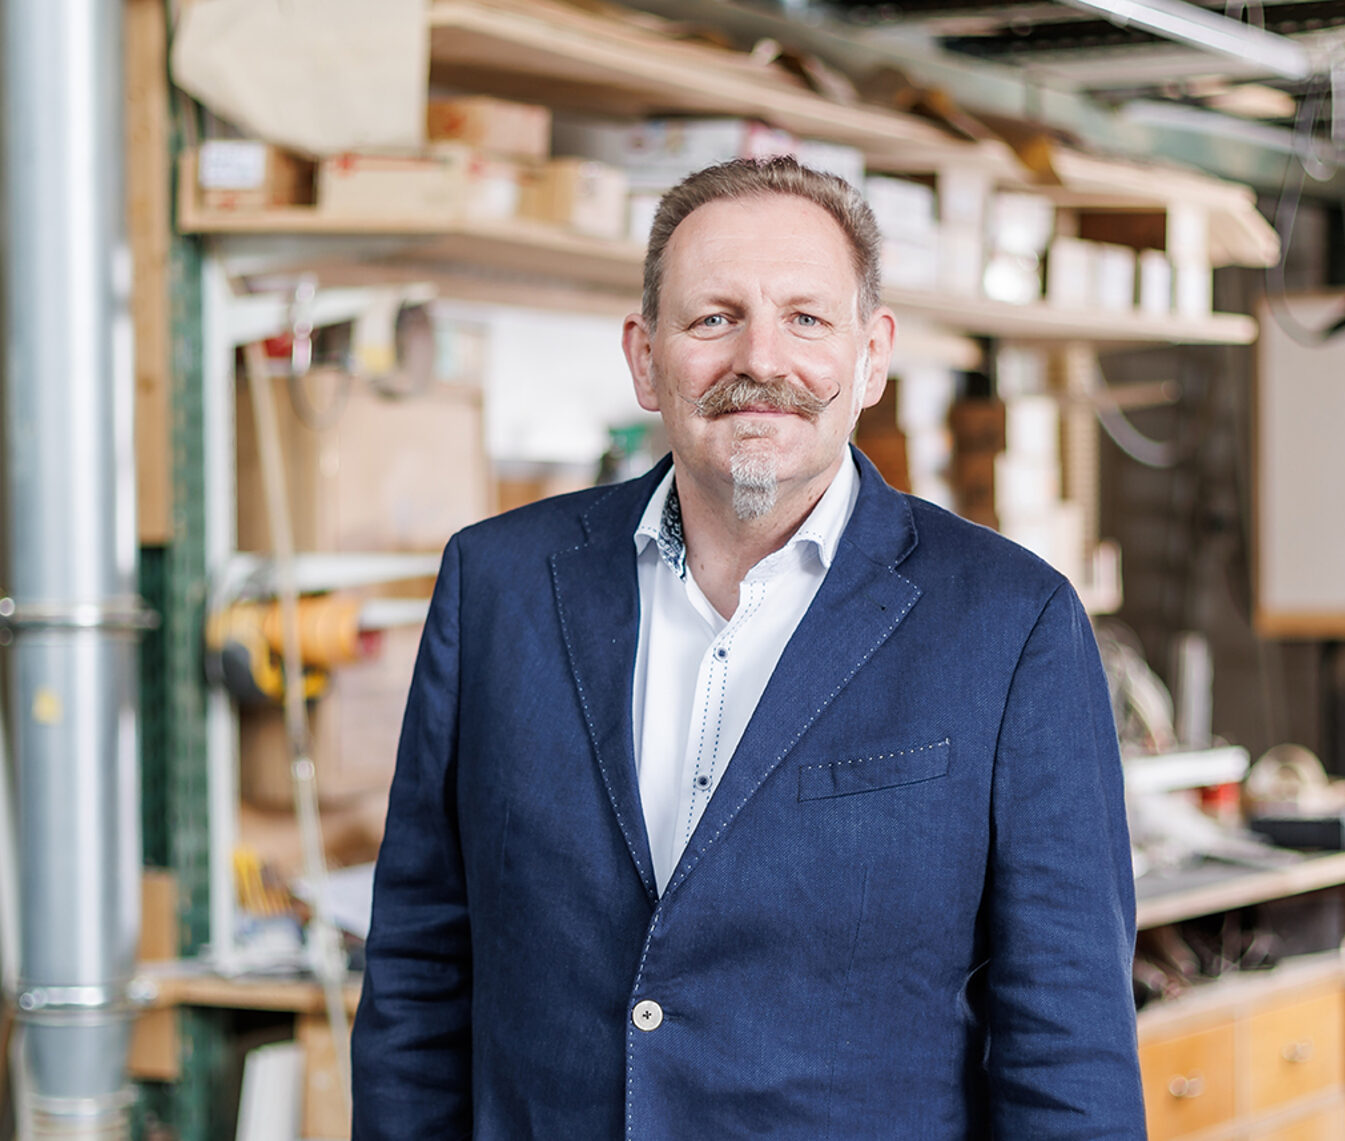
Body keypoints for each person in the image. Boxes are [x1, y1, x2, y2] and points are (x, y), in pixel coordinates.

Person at [351, 156, 1145, 1139]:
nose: (759, 360)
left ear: (870, 357)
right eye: (713, 317)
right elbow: (418, 971)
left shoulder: (1011, 624)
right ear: (644, 358)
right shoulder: (497, 584)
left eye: (805, 319)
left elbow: (1066, 1051)